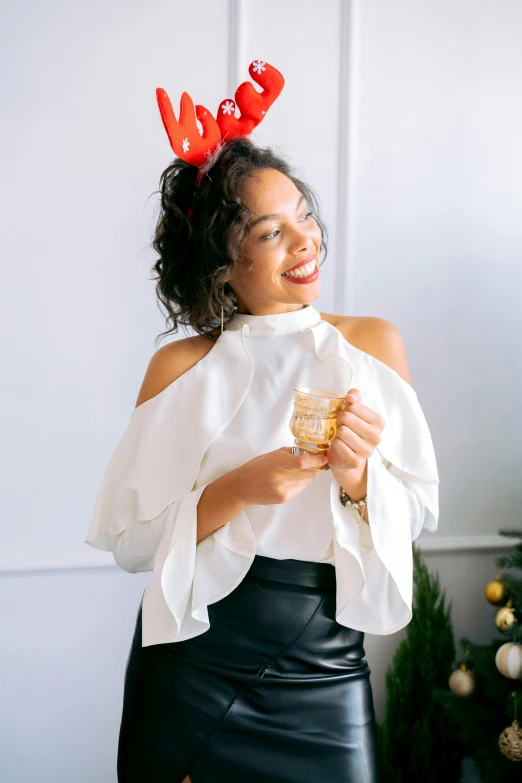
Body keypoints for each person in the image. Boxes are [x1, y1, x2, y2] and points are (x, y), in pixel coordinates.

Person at [86, 61, 439, 783]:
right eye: (272, 231)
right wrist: (240, 487)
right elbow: (128, 544)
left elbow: (420, 515)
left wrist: (360, 478)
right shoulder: (182, 369)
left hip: (325, 664)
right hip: (192, 670)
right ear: (224, 262)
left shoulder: (372, 346)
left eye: (304, 216)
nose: (305, 241)